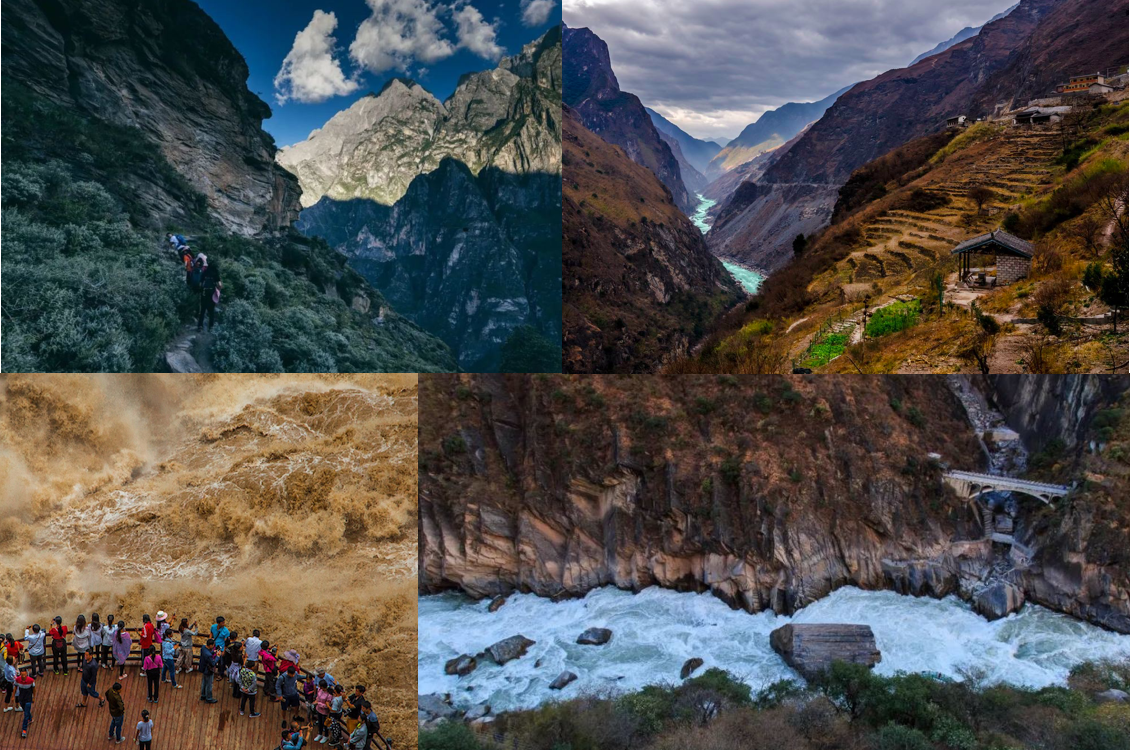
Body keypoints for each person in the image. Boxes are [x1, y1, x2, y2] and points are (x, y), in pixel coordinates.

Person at [197, 258, 221, 332]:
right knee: (211, 311)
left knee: (203, 310)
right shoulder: (216, 272)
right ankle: (211, 327)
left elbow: (200, 283)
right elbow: (219, 284)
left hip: (204, 292)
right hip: (212, 292)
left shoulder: (205, 272)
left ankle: (200, 326)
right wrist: (218, 291)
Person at [15, 667, 34, 738]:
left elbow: (34, 689)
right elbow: (15, 687)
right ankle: (30, 718)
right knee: (25, 710)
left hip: (28, 699)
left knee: (25, 715)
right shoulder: (17, 680)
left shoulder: (31, 680)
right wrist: (14, 696)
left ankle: (24, 730)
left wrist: (34, 697)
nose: (23, 676)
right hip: (21, 698)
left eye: (24, 675)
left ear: (27, 674)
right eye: (22, 675)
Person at [198, 638, 218, 704]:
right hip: (208, 670)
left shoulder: (203, 648)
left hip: (203, 668)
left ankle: (203, 695)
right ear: (210, 645)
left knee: (204, 682)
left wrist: (213, 652)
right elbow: (213, 663)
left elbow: (206, 654)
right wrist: (217, 657)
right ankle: (209, 698)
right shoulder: (208, 655)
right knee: (209, 684)